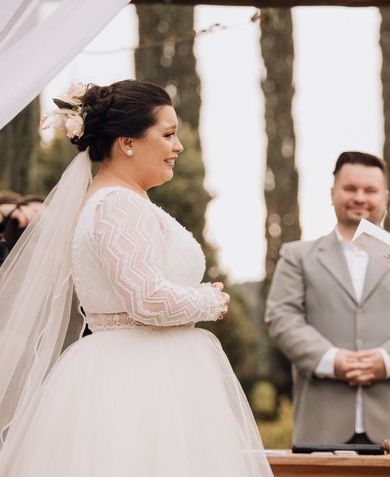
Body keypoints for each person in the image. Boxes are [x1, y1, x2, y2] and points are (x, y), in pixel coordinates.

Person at [0, 80, 273, 476]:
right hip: (137, 377)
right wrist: (211, 300)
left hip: (144, 367)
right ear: (127, 142)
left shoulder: (121, 200)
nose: (177, 147)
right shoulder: (117, 205)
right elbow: (146, 300)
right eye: (168, 135)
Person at [265, 151, 390, 445]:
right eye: (350, 188)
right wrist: (332, 360)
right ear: (333, 193)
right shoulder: (296, 256)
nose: (359, 197)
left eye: (370, 190)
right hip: (320, 427)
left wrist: (386, 360)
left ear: (385, 196)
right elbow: (283, 318)